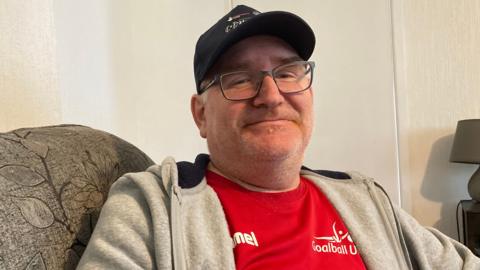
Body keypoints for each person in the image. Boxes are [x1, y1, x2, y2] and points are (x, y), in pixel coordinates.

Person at [77, 5, 480, 270]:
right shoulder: (151, 206)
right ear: (201, 114)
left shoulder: (365, 199)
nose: (271, 96)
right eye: (239, 79)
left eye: (288, 73)